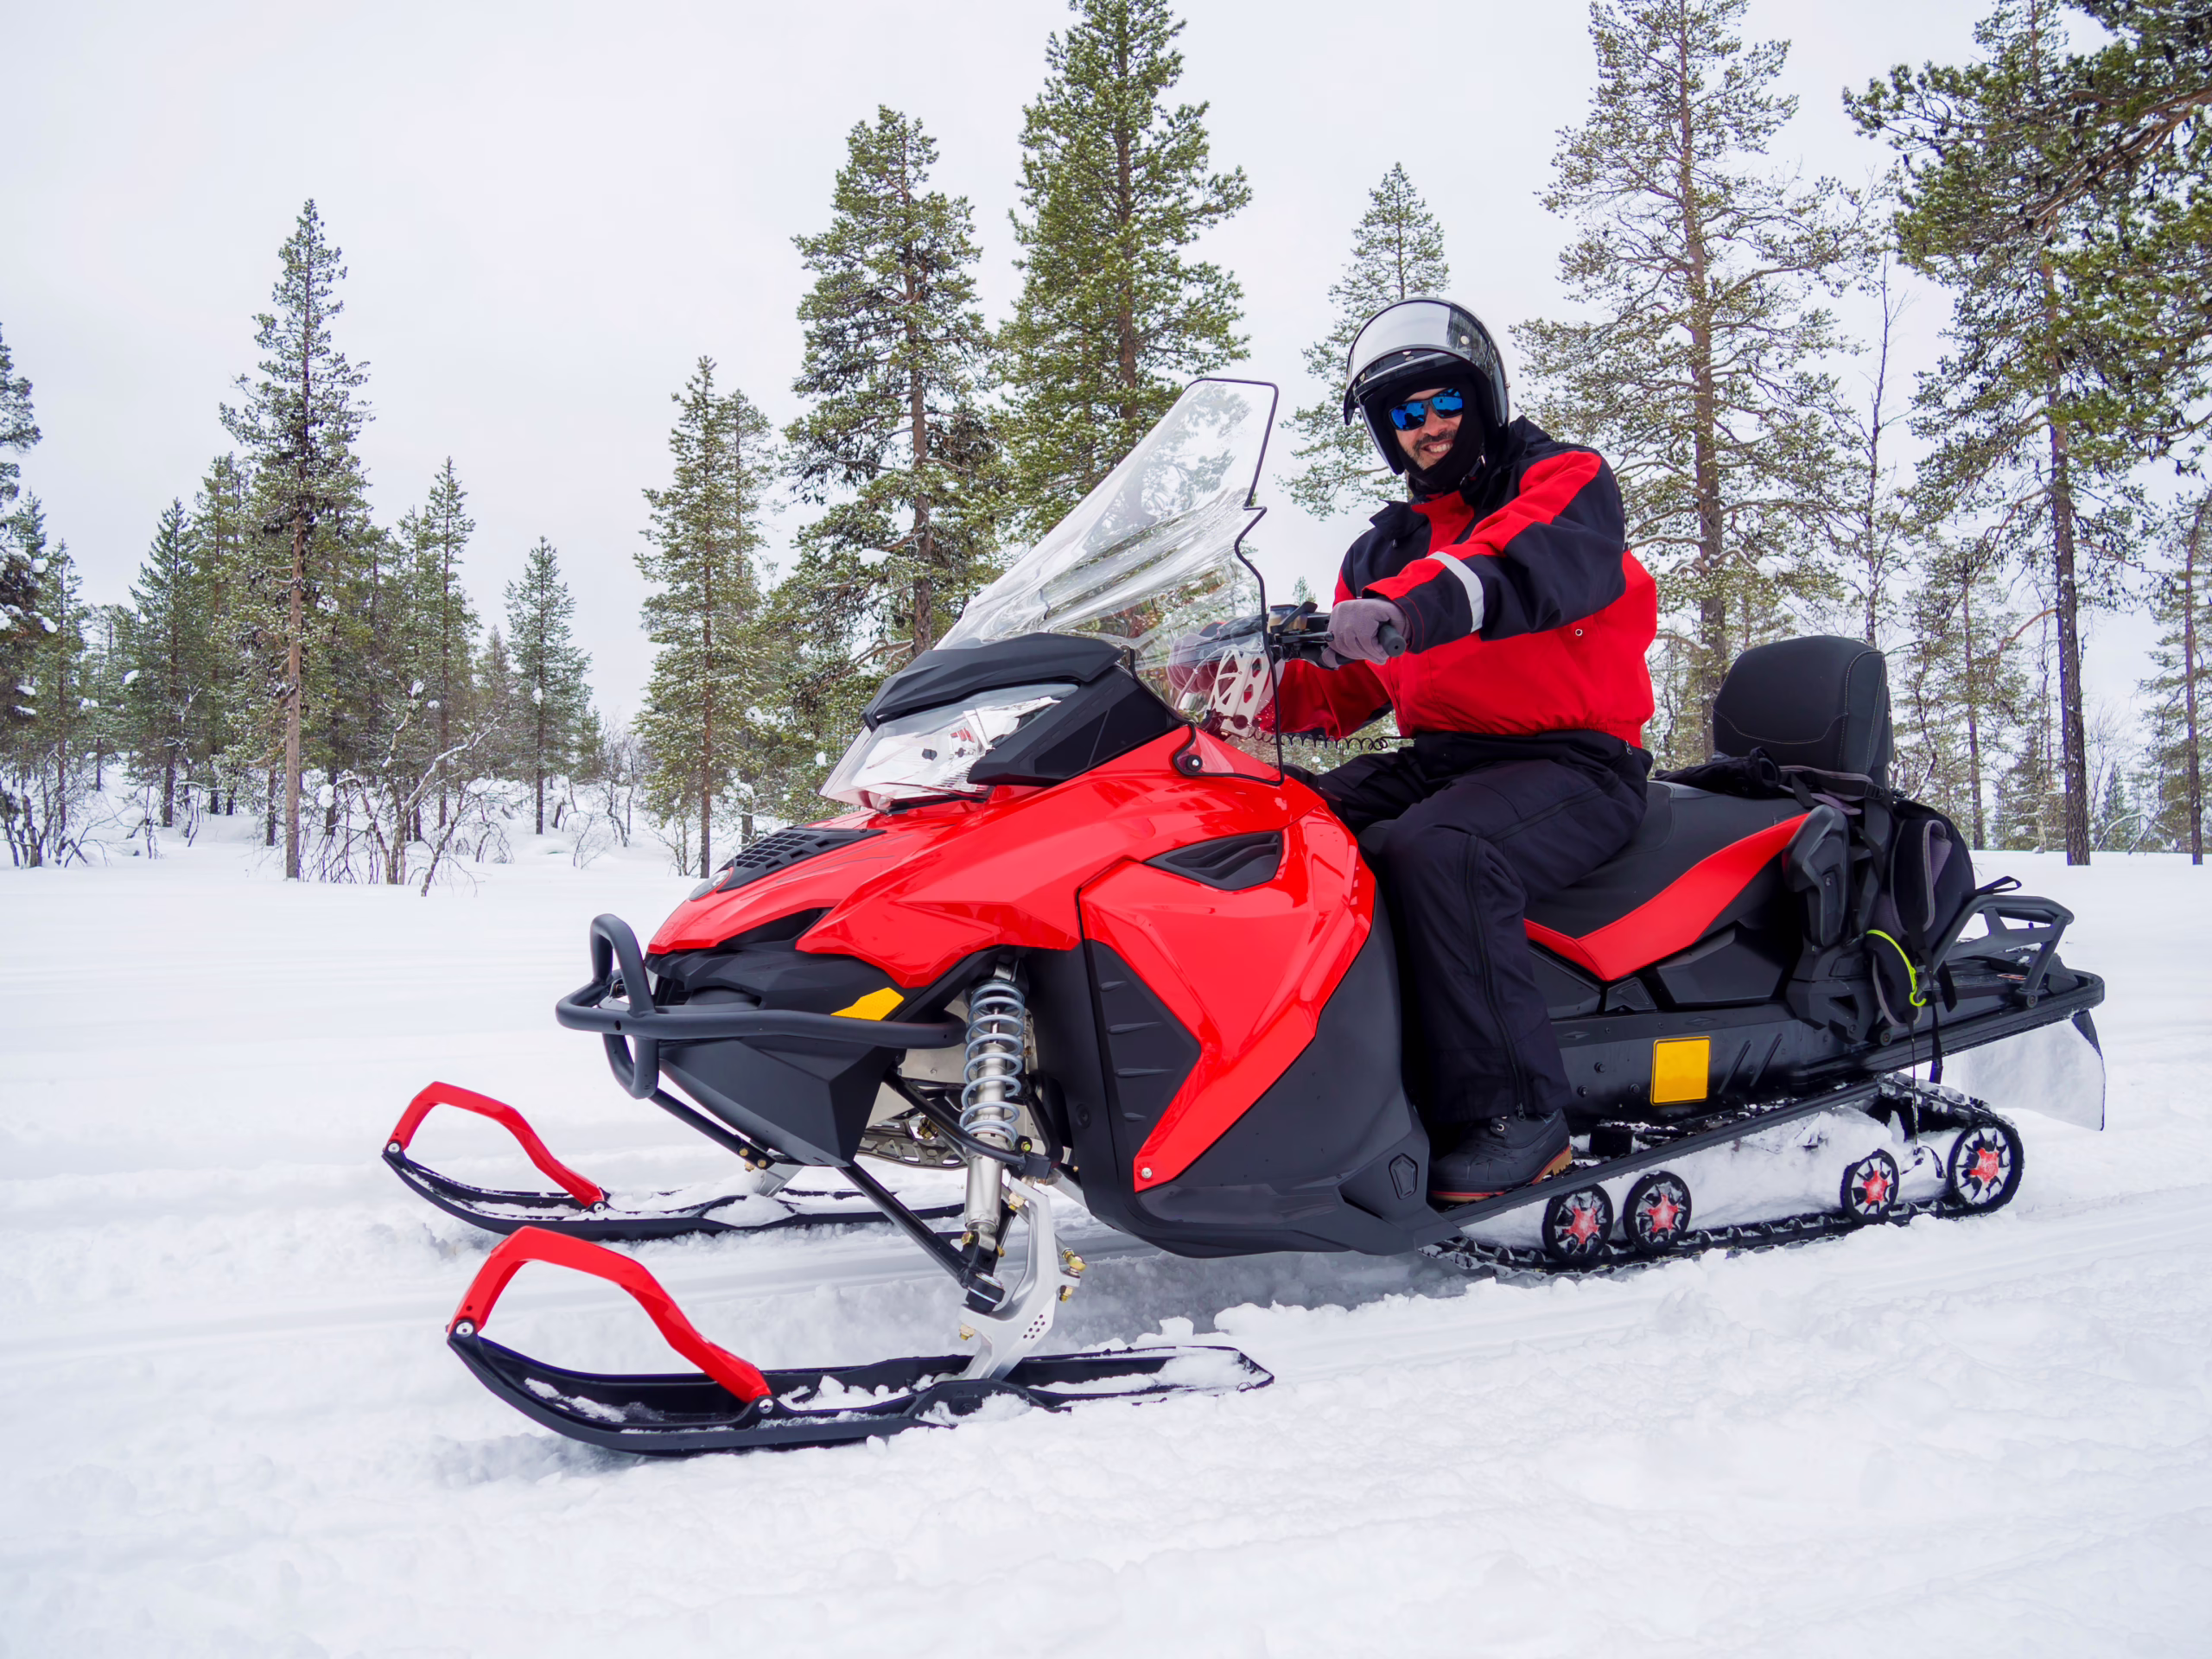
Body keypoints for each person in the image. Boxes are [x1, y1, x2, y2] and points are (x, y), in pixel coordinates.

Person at [1277, 297, 1658, 1202]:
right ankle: (1311, 1082)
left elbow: (1511, 567)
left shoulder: (1560, 484)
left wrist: (1406, 608)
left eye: (1444, 402)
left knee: (1440, 849)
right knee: (1285, 821)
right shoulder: (1384, 549)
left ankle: (1517, 1115)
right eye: (1404, 415)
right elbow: (1342, 690)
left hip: (1574, 762)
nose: (1428, 427)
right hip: (1446, 757)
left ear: (1482, 399)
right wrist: (1231, 678)